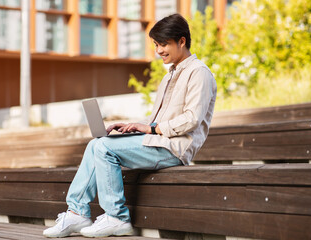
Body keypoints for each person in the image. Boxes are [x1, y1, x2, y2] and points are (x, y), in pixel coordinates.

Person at [43, 13, 217, 238]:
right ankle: (77, 212)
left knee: (105, 149)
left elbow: (192, 118)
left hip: (174, 149)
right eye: (156, 44)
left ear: (182, 41)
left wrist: (151, 129)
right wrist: (134, 125)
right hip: (157, 141)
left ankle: (117, 217)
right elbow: (158, 118)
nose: (158, 50)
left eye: (163, 44)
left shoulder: (199, 73)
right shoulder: (170, 76)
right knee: (97, 143)